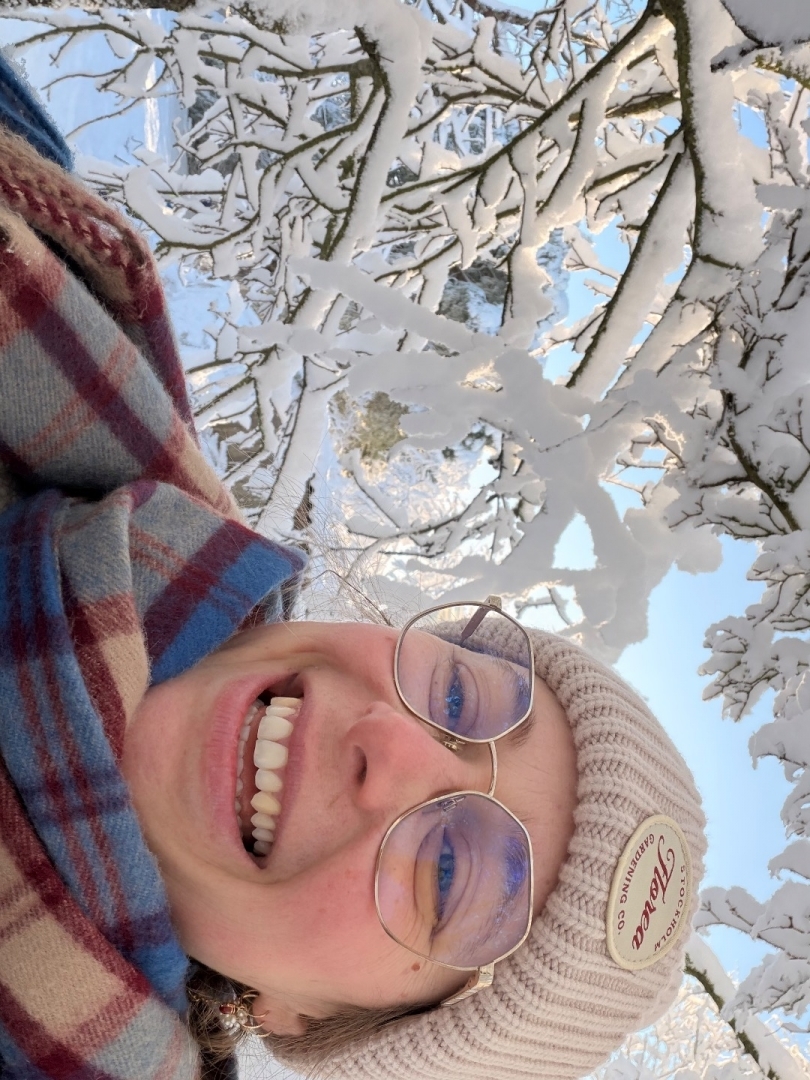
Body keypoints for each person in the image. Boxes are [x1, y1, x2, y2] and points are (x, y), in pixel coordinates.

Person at [0, 50, 706, 1080]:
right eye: (459, 695)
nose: (391, 741)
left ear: (293, 1016)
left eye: (451, 875)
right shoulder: (65, 272)